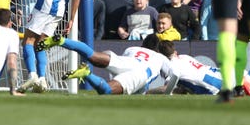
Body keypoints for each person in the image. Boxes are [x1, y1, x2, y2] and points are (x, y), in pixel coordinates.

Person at [37, 33, 178, 95]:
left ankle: (62, 41)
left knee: (92, 56)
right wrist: (169, 91)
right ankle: (87, 74)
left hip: (128, 61)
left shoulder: (132, 48)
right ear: (157, 48)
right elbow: (174, 76)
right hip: (139, 73)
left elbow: (115, 63)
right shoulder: (161, 57)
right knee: (107, 90)